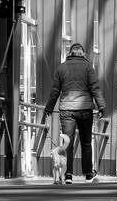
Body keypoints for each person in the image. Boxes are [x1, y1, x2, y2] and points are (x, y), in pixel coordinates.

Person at [43, 42, 107, 184]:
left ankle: (68, 175)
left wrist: (49, 107)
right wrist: (101, 106)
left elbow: (55, 91)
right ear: (83, 54)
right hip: (85, 109)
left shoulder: (61, 67)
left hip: (67, 110)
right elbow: (95, 88)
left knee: (68, 143)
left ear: (70, 53)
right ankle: (88, 175)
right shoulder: (88, 67)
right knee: (86, 142)